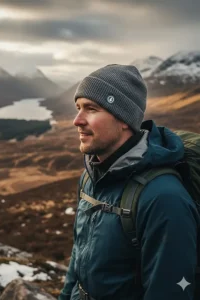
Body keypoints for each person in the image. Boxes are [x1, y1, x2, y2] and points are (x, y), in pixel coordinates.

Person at [58, 64, 200, 300]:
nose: (77, 120)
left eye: (91, 109)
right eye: (78, 108)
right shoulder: (90, 177)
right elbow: (78, 257)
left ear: (124, 119)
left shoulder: (163, 198)